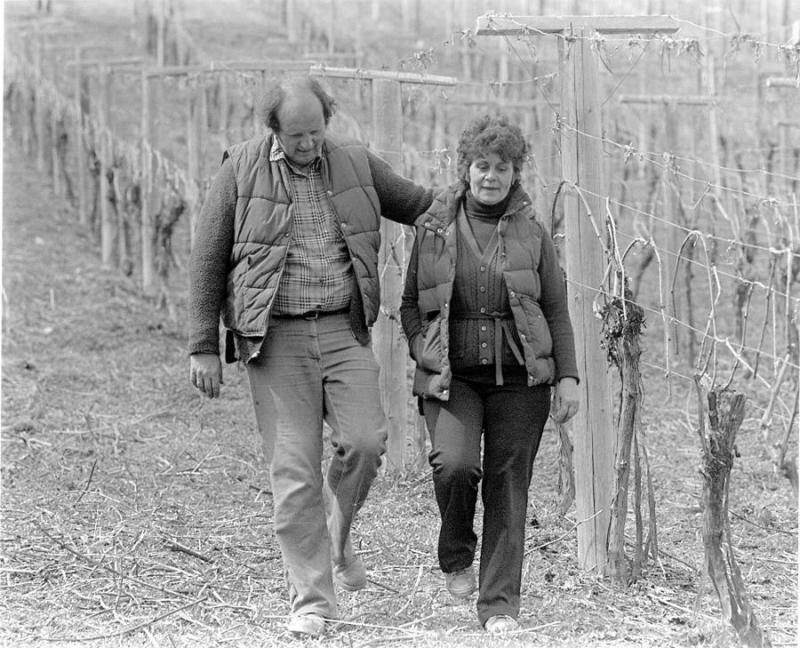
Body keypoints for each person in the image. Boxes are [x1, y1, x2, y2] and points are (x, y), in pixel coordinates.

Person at [188, 75, 433, 639]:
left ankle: (335, 534)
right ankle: (313, 601)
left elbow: (421, 206)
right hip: (275, 341)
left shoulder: (354, 162)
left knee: (367, 442)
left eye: (316, 132)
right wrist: (203, 346)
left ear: (329, 122)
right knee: (294, 472)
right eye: (296, 135)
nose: (307, 144)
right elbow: (207, 257)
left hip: (345, 332)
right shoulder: (240, 170)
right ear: (273, 129)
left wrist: (488, 207)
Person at [400, 113, 580, 635]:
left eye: (502, 167)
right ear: (465, 168)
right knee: (455, 465)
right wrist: (422, 347)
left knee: (507, 485)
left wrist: (567, 376)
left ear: (515, 172)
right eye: (481, 165)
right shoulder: (433, 228)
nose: (491, 177)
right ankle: (457, 553)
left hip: (521, 380)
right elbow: (411, 304)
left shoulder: (533, 232)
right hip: (450, 378)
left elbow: (556, 308)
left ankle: (498, 604)